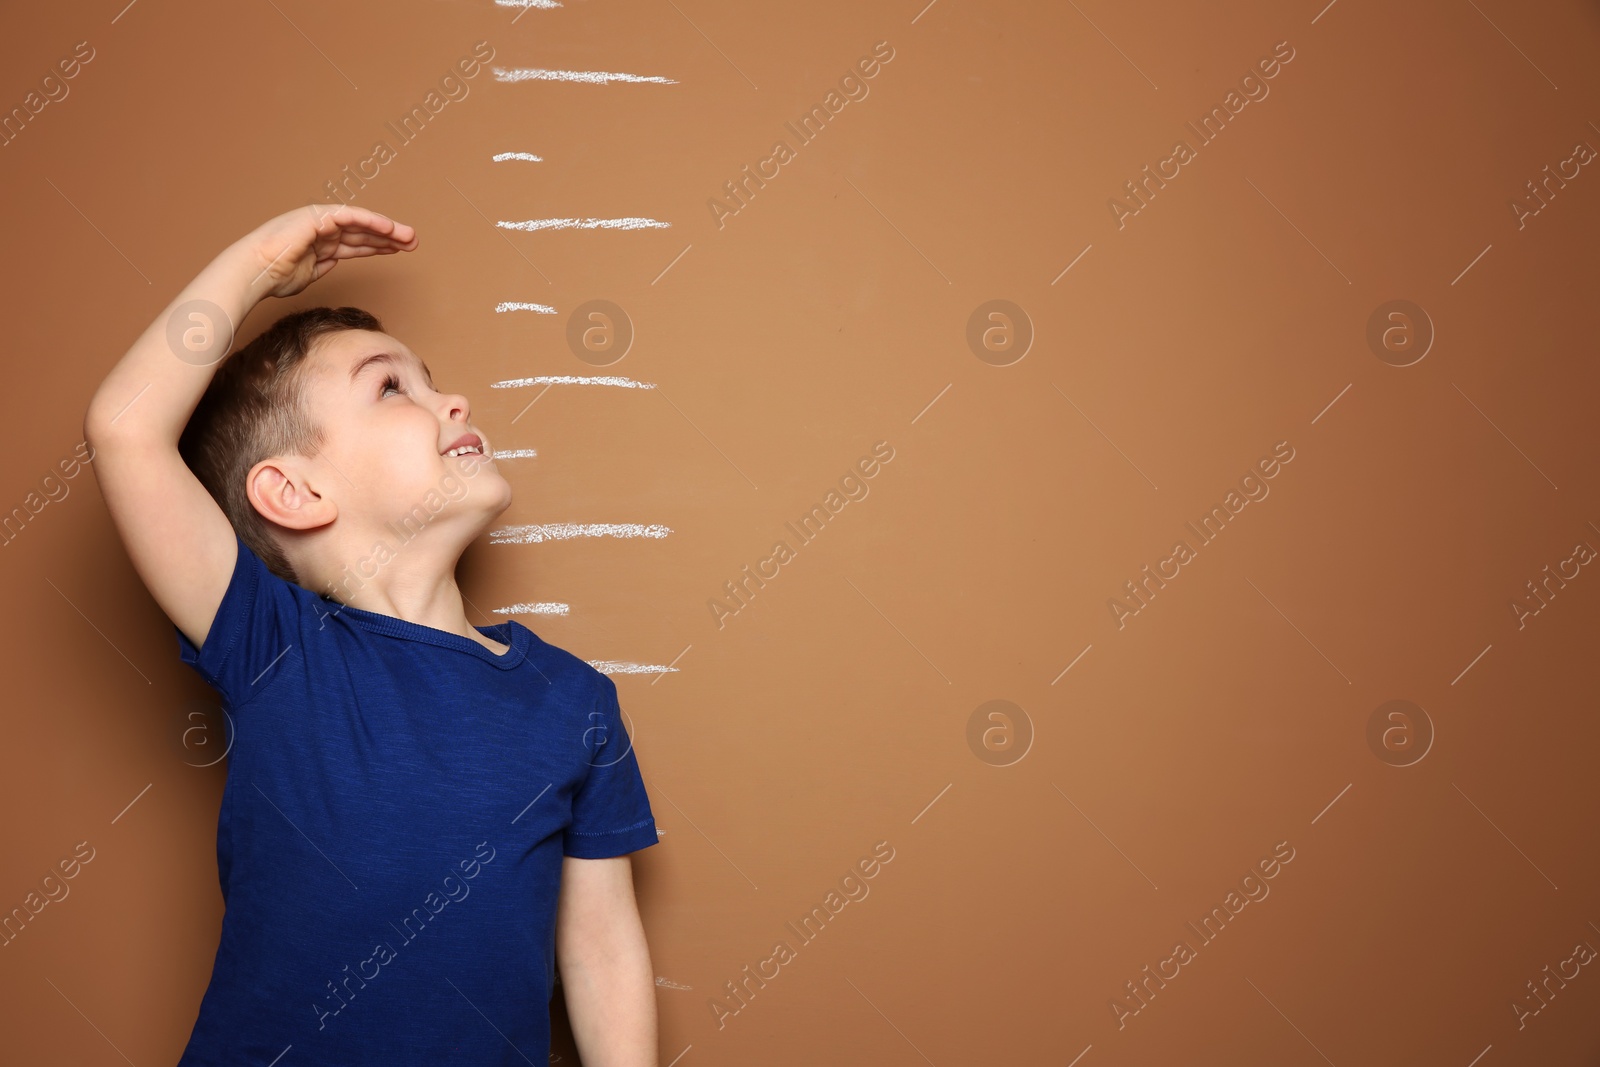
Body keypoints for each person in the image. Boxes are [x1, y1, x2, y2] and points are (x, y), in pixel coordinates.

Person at [84, 204, 661, 1065]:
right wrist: (257, 264)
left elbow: (602, 949)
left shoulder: (576, 700)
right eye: (394, 387)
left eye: (432, 380)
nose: (452, 398)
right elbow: (125, 430)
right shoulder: (274, 643)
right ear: (294, 492)